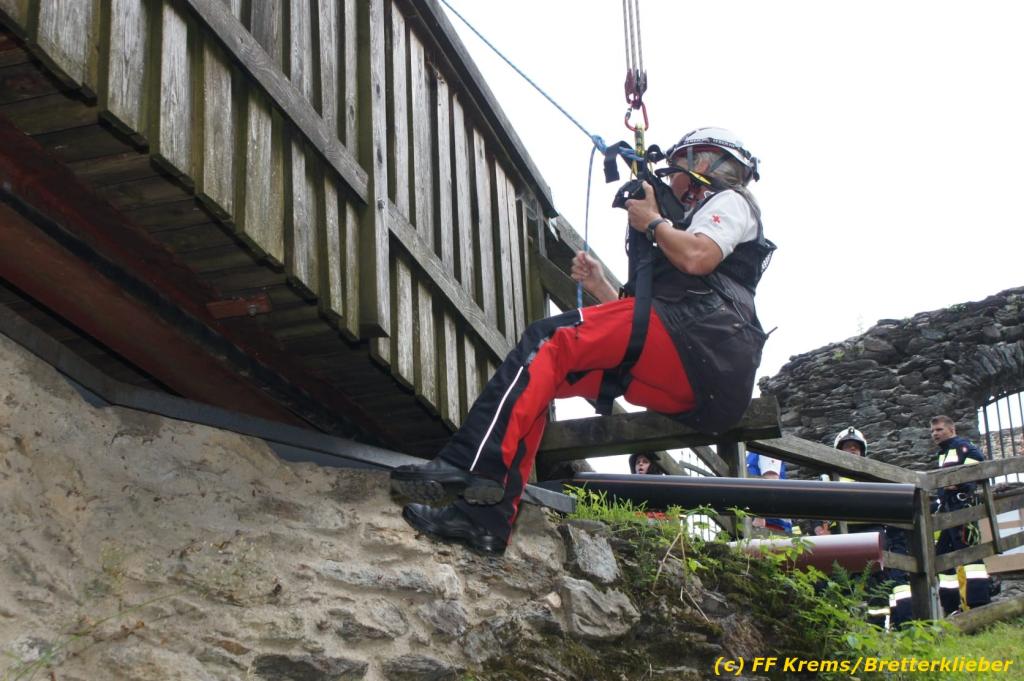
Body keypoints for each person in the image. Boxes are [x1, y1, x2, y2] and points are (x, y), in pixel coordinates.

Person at [389, 127, 774, 554]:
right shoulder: (693, 223)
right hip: (696, 373)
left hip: (700, 339)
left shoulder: (731, 202)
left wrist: (653, 221)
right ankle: (484, 520)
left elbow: (697, 258)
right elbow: (645, 325)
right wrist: (600, 286)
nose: (675, 176)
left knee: (547, 339)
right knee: (545, 375)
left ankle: (470, 460)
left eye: (681, 164)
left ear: (706, 161)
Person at [813, 427, 911, 628]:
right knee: (841, 584)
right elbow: (814, 508)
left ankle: (877, 628)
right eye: (848, 446)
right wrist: (819, 529)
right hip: (839, 538)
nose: (852, 450)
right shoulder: (828, 477)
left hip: (871, 536)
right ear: (838, 450)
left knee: (875, 586)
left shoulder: (872, 475)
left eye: (856, 447)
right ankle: (844, 628)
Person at [930, 415, 991, 615]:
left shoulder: (962, 446)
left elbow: (979, 460)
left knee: (970, 554)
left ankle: (979, 604)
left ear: (952, 429)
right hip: (948, 509)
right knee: (943, 556)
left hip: (961, 507)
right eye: (933, 431)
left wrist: (961, 482)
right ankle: (951, 607)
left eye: (939, 429)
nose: (935, 434)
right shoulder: (943, 453)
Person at [745, 452, 793, 535]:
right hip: (766, 520)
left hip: (770, 522)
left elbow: (771, 481)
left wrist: (760, 516)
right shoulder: (753, 453)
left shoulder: (764, 451)